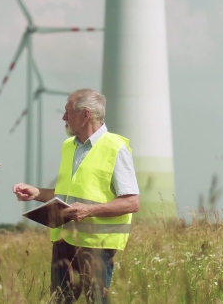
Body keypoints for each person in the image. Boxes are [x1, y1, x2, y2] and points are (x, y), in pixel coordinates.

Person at [13, 88, 140, 304]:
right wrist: (37, 193)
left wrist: (89, 210)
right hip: (64, 241)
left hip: (96, 245)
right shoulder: (68, 147)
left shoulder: (115, 148)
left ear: (85, 115)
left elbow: (132, 202)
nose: (63, 117)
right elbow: (67, 195)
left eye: (67, 112)